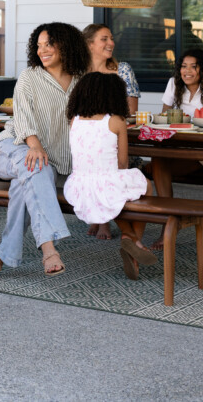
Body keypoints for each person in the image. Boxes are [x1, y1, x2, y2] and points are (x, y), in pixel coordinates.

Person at [0, 22, 90, 282]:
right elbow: (23, 117)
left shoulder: (81, 81)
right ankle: (48, 248)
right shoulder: (30, 76)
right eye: (38, 45)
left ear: (66, 45)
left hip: (51, 161)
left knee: (27, 183)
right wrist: (35, 145)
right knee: (36, 166)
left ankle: (0, 257)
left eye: (48, 43)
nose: (42, 50)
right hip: (13, 147)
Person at [63, 72, 156, 280]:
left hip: (78, 185)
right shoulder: (116, 121)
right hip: (106, 183)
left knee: (114, 193)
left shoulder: (74, 120)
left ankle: (132, 241)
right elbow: (122, 163)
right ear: (113, 96)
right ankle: (133, 239)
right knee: (146, 185)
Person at [148, 48, 203, 249]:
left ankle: (170, 223)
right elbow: (163, 119)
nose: (188, 71)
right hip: (179, 147)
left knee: (159, 166)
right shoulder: (173, 84)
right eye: (184, 66)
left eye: (194, 67)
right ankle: (168, 222)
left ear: (202, 69)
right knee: (158, 163)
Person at [82, 23, 141, 240]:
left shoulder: (122, 69)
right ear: (89, 44)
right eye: (104, 39)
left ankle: (104, 218)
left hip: (117, 137)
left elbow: (131, 111)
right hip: (88, 142)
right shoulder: (79, 73)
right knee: (94, 154)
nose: (111, 43)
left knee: (106, 156)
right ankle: (103, 218)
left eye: (111, 38)